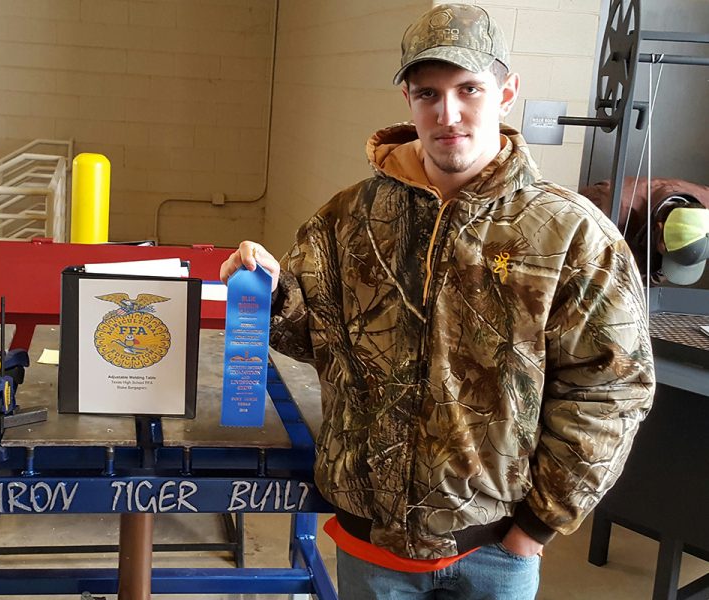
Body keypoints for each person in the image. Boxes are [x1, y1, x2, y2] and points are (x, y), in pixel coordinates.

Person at [220, 3, 655, 599]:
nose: (448, 114)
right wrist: (265, 295)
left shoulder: (569, 234)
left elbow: (609, 388)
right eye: (428, 93)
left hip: (498, 552)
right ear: (408, 99)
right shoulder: (349, 219)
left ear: (507, 93)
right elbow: (309, 336)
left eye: (469, 88)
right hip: (373, 546)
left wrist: (535, 525)